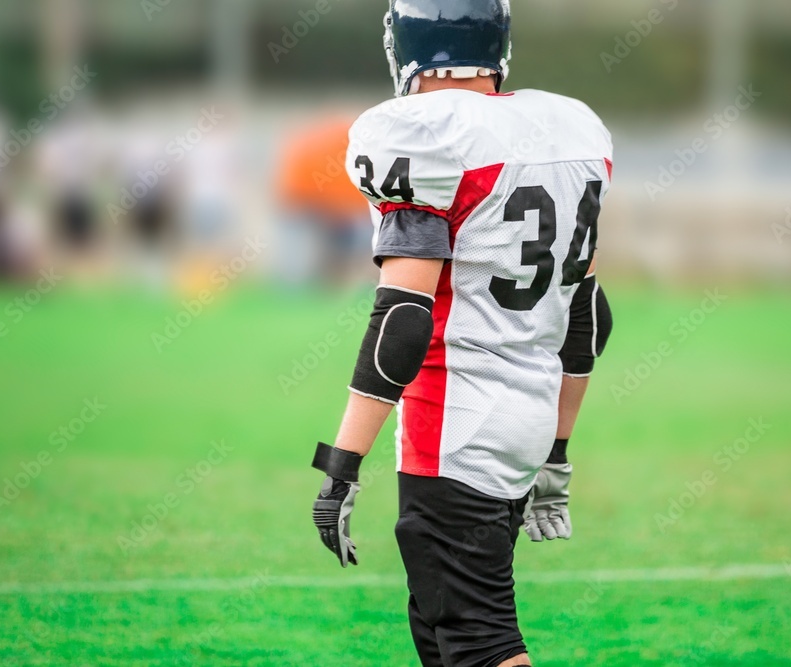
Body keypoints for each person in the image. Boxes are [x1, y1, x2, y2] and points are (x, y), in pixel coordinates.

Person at [310, 2, 614, 665]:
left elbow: (403, 318)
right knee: (443, 633)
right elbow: (588, 313)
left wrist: (340, 464)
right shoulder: (569, 125)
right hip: (525, 418)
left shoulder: (426, 132)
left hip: (457, 426)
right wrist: (557, 449)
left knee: (479, 641)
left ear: (408, 44)